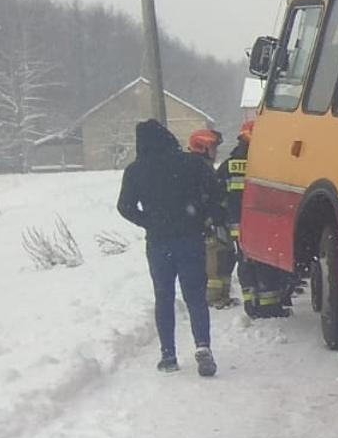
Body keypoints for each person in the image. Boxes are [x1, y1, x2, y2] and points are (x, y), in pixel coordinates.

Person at [117, 120, 226, 376]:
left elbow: (125, 207)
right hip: (190, 238)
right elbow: (214, 194)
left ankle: (168, 355)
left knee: (163, 297)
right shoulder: (191, 163)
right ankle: (202, 346)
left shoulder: (136, 170)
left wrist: (149, 222)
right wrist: (206, 219)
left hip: (158, 243)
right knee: (195, 296)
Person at [224, 121, 293, 318]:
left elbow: (222, 194)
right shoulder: (263, 160)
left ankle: (251, 303)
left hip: (238, 225)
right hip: (260, 222)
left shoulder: (230, 163)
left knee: (246, 262)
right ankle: (269, 306)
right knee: (265, 262)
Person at [188, 128, 236, 310]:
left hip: (215, 221)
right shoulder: (197, 168)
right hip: (207, 224)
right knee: (214, 260)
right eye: (213, 148)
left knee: (224, 256)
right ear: (202, 148)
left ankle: (222, 294)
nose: (216, 152)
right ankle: (213, 296)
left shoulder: (204, 167)